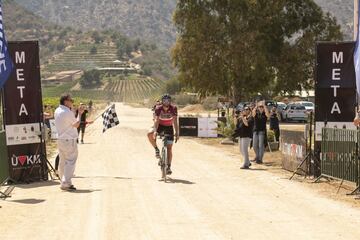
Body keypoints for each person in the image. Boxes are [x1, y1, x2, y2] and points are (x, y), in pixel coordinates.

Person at [54, 93, 83, 191]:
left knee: (62, 161)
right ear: (66, 101)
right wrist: (80, 114)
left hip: (61, 139)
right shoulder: (66, 112)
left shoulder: (58, 110)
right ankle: (66, 182)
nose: (72, 102)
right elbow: (76, 124)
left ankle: (64, 181)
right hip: (69, 140)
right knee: (70, 161)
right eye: (71, 100)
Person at [147, 94, 179, 175]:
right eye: (164, 100)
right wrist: (155, 131)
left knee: (169, 148)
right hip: (160, 125)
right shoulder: (158, 108)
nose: (166, 102)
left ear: (170, 101)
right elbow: (157, 120)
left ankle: (168, 166)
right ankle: (156, 149)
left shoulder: (173, 108)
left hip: (169, 127)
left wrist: (177, 132)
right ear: (162, 101)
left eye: (168, 100)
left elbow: (175, 121)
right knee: (149, 134)